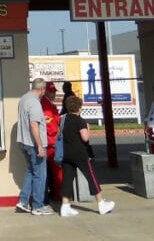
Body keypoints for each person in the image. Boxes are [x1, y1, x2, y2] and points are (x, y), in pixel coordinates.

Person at [57, 95, 115, 217]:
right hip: (80, 154)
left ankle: (65, 206)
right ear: (78, 108)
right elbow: (85, 138)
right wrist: (88, 129)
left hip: (66, 154)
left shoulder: (63, 120)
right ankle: (101, 203)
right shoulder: (80, 121)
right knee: (91, 177)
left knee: (67, 178)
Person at [14, 78, 51, 215]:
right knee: (40, 175)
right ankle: (37, 206)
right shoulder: (35, 103)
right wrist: (40, 146)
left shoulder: (24, 98)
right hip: (33, 144)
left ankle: (23, 201)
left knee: (31, 171)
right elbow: (34, 125)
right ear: (42, 89)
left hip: (23, 142)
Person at [40, 82, 62, 203]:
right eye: (51, 91)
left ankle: (54, 194)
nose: (53, 94)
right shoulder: (45, 106)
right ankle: (57, 195)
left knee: (48, 172)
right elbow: (50, 127)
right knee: (56, 171)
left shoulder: (49, 104)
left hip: (50, 143)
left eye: (54, 91)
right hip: (50, 144)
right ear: (46, 91)